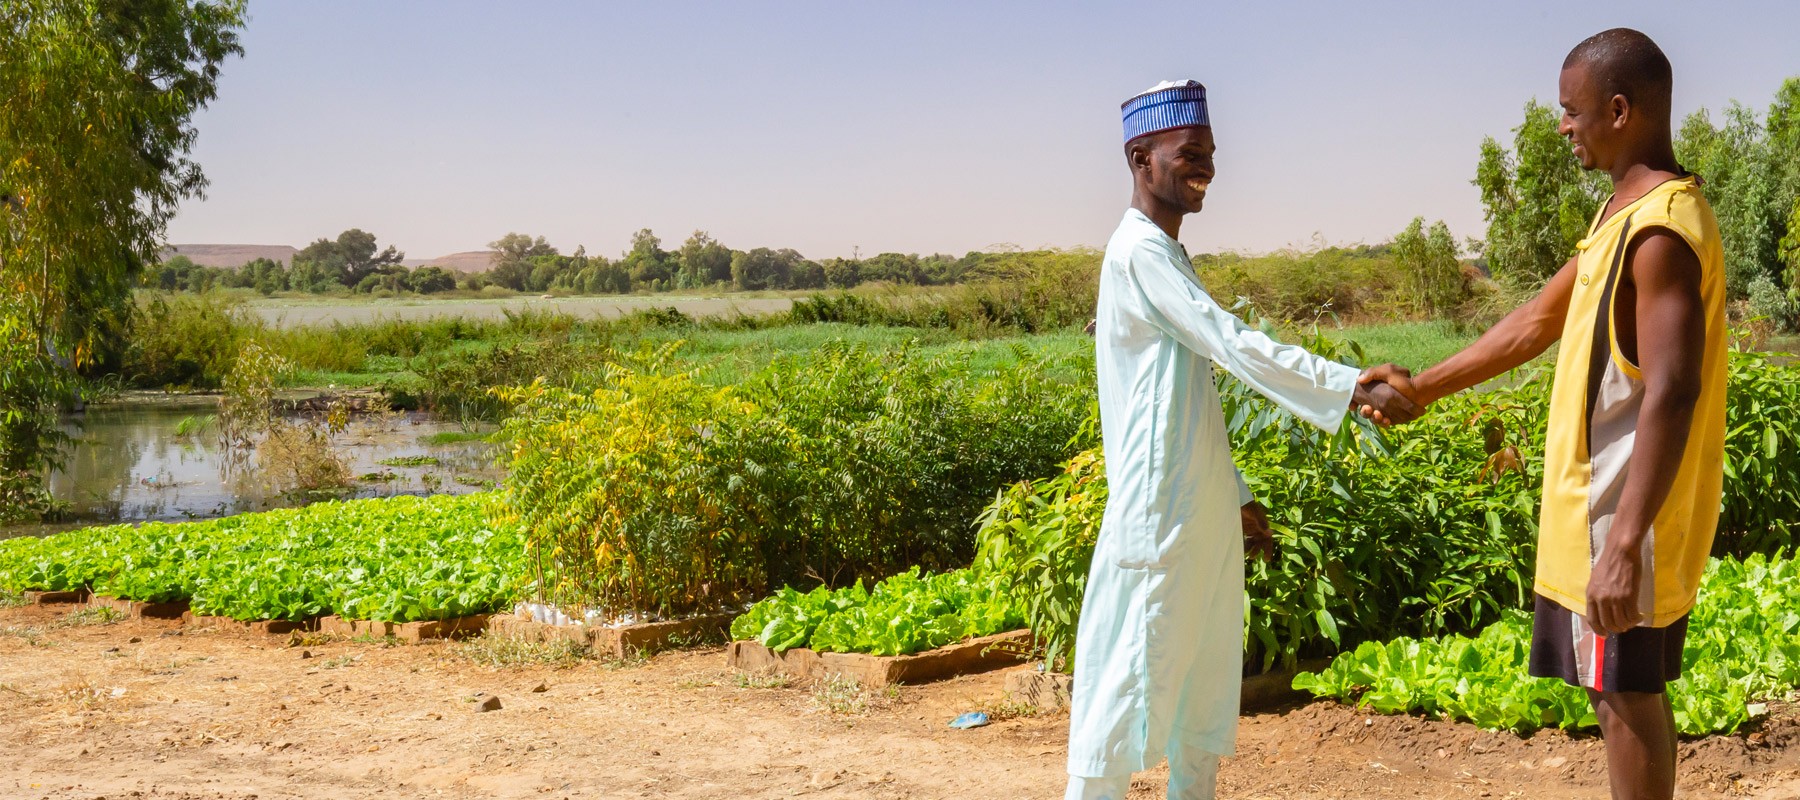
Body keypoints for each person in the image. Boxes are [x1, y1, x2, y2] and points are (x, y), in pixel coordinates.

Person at [1361, 29, 1726, 800]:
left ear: (1620, 110)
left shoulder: (1661, 232)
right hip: (1599, 512)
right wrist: (1424, 385)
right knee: (1616, 692)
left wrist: (1625, 540)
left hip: (1620, 513)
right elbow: (1535, 321)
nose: (1563, 126)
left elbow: (1674, 390)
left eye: (1572, 111)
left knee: (1627, 699)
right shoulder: (1621, 216)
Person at [1066, 79, 1419, 800]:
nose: (1208, 168)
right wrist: (1349, 385)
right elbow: (1231, 345)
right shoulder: (1138, 253)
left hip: (1198, 514)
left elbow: (1187, 401)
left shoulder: (1165, 254)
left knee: (1202, 684)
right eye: (1190, 153)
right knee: (1125, 688)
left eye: (1211, 153)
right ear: (1141, 157)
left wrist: (1239, 495)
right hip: (1158, 517)